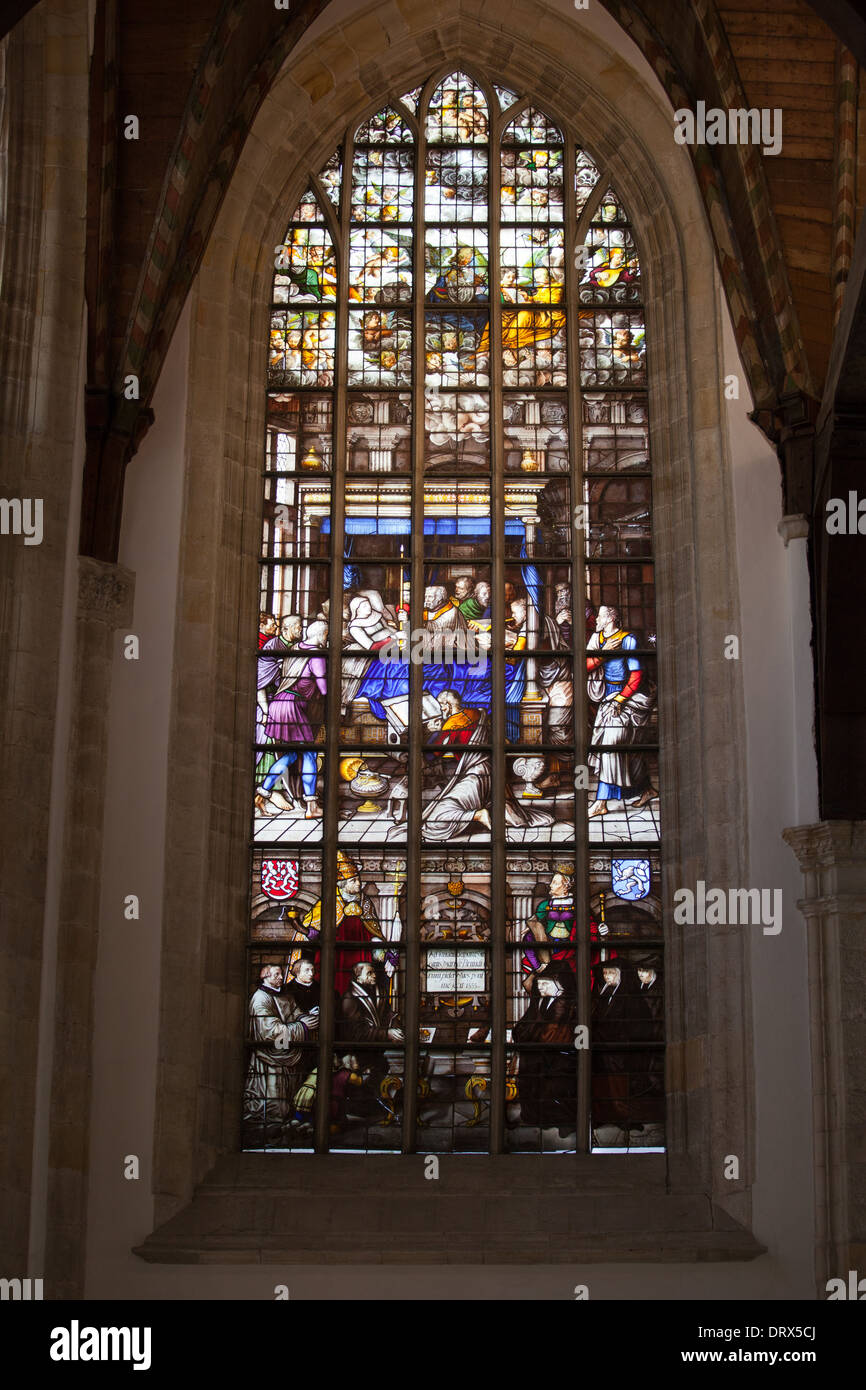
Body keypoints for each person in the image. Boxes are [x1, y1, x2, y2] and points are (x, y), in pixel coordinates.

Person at [586, 604, 657, 818]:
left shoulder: (628, 640)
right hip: (607, 696)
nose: (596, 619)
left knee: (610, 745)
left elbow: (636, 675)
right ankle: (646, 788)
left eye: (599, 616)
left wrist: (620, 699)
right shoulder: (596, 639)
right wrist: (604, 654)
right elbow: (585, 665)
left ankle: (601, 801)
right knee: (625, 751)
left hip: (629, 698)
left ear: (610, 618)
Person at [262, 618, 328, 819]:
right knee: (309, 754)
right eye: (326, 635)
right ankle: (311, 806)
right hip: (293, 707)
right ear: (322, 635)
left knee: (290, 754)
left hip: (279, 704)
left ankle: (262, 792)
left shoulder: (296, 648)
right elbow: (324, 688)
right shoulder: (316, 655)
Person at [302, 852, 394, 997]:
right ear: (343, 884)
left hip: (361, 959)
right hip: (335, 959)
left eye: (358, 880)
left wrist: (383, 952)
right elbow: (312, 930)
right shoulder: (329, 902)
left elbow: (373, 932)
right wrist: (312, 934)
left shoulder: (365, 903)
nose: (359, 883)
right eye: (353, 881)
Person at [242, 965, 318, 1140]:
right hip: (270, 1058)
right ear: (265, 977)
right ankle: (269, 1133)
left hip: (288, 1054)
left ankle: (288, 1129)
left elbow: (297, 1014)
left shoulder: (285, 995)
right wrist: (302, 1027)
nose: (281, 977)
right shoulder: (260, 999)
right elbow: (269, 1032)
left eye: (282, 974)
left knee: (289, 1101)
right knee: (274, 1104)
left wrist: (307, 1019)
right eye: (276, 974)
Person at [512, 964, 577, 1135]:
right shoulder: (543, 1000)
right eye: (539, 984)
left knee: (555, 1089)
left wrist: (531, 1038)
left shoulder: (566, 1004)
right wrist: (524, 1036)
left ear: (559, 985)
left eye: (545, 984)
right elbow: (525, 1025)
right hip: (537, 1055)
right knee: (532, 1086)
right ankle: (538, 1118)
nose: (540, 987)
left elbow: (554, 1033)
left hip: (558, 1059)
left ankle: (565, 1122)